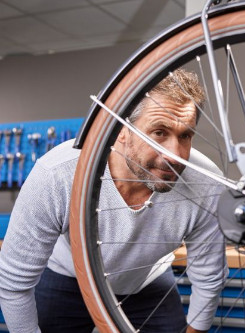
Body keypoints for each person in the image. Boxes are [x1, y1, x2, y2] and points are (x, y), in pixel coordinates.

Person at [0, 68, 228, 333]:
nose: (175, 155)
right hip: (67, 278)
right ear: (121, 129)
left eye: (185, 135)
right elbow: (13, 283)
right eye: (159, 132)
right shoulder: (58, 174)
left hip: (146, 283)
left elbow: (209, 278)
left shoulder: (207, 182)